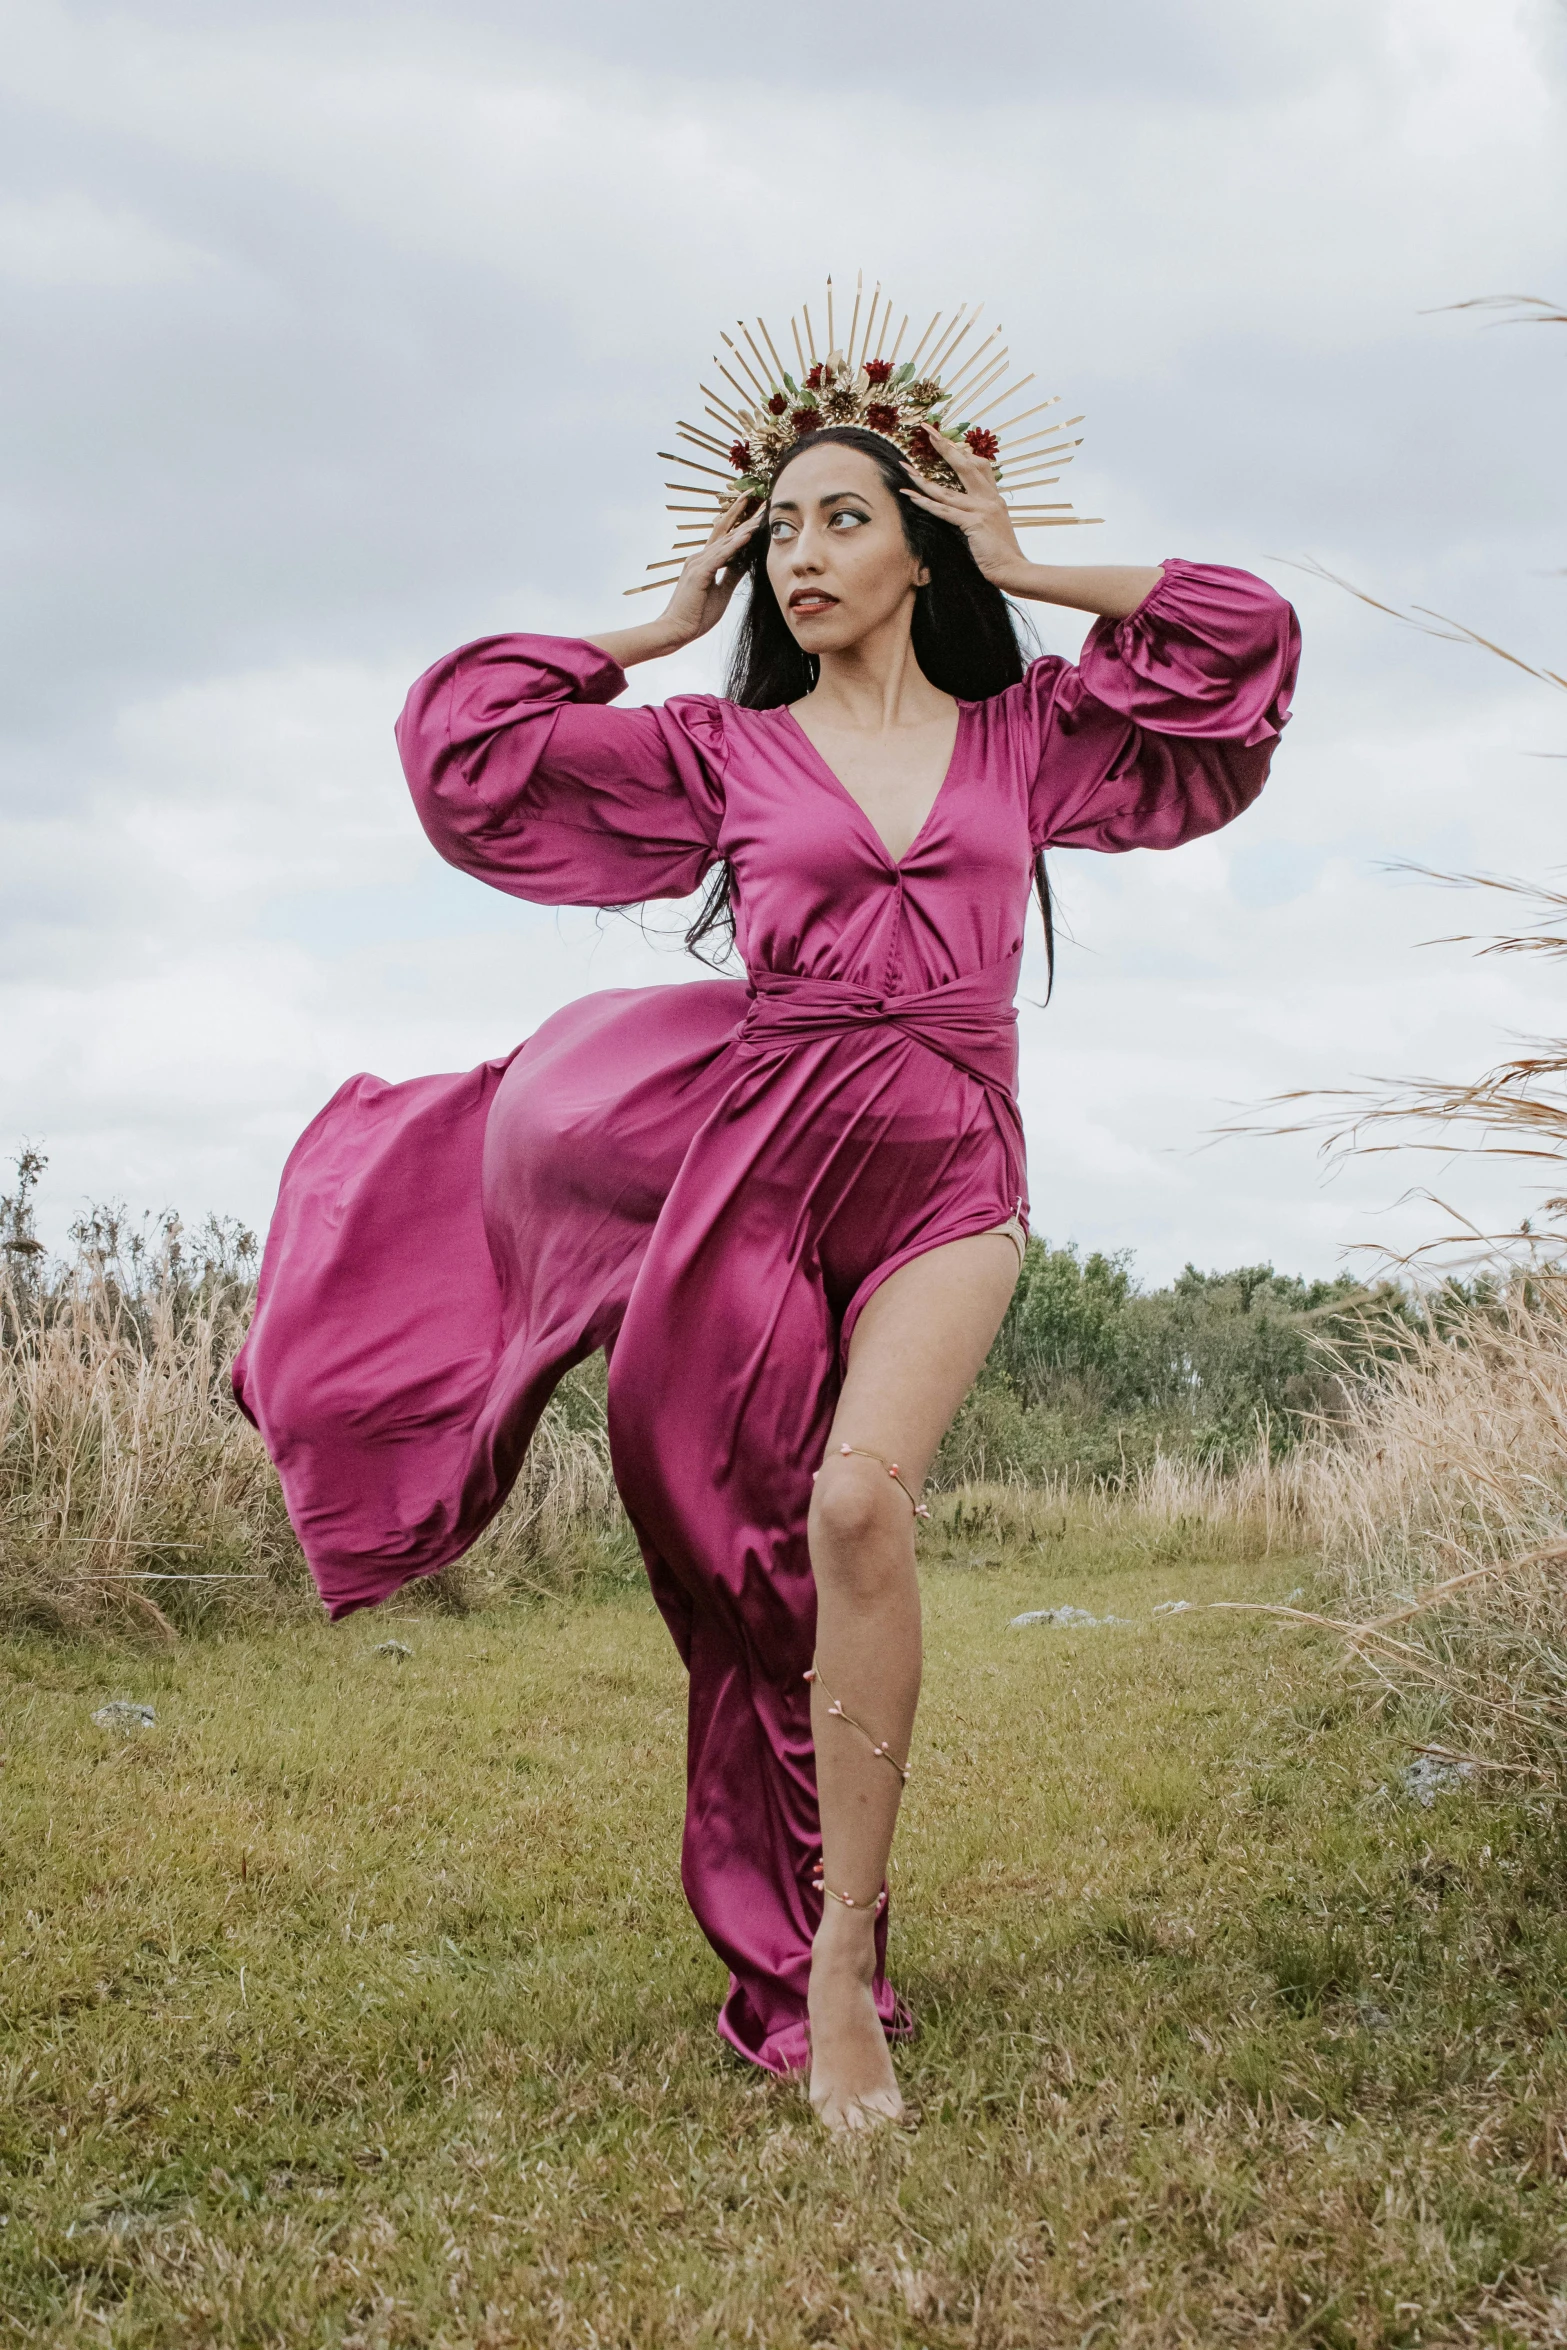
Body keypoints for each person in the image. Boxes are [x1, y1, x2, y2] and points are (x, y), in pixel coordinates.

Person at [236, 373, 1299, 2133]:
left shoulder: (1028, 735)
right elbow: (469, 749)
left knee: (859, 1507)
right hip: (754, 1174)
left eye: (842, 520)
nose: (799, 555)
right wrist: (653, 625)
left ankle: (839, 1965)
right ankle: (801, 1943)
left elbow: (1231, 640)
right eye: (779, 527)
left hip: (952, 1171)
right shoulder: (723, 752)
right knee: (746, 1579)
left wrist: (1028, 562)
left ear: (917, 550)